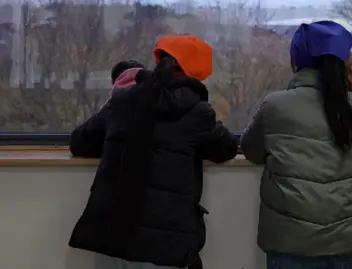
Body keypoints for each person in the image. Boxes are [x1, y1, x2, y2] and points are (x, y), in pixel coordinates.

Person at [240, 20, 352, 269]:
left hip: (289, 243)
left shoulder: (275, 106)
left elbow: (251, 151)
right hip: (346, 243)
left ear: (296, 62)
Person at [68, 35, 239, 269]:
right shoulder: (198, 112)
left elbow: (80, 142)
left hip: (112, 233)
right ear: (198, 73)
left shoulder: (123, 100)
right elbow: (226, 148)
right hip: (165, 243)